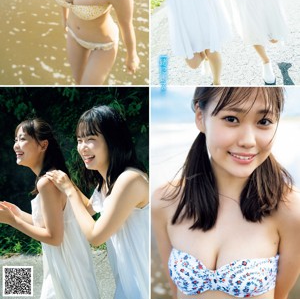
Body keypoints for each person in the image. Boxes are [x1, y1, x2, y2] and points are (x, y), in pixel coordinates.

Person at [152, 87, 300, 299]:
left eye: (264, 122)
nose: (248, 140)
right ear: (200, 117)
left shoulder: (290, 208)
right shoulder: (165, 201)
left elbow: (281, 295)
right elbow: (175, 291)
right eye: (231, 118)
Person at [46, 105, 149, 299]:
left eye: (91, 140)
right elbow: (85, 210)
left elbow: (95, 236)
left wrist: (69, 189)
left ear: (112, 141)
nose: (83, 147)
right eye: (79, 140)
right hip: (127, 288)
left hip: (143, 287)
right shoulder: (107, 183)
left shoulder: (130, 180)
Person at [0, 118, 99, 299]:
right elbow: (85, 211)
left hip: (65, 270)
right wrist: (18, 214)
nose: (16, 145)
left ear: (43, 145)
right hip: (70, 267)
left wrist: (12, 221)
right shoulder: (56, 176)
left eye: (22, 139)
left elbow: (54, 237)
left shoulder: (47, 182)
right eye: (15, 139)